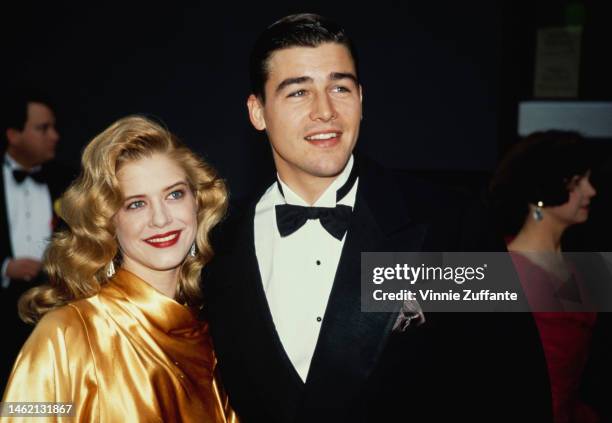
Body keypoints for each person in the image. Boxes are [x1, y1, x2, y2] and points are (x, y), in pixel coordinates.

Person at [204, 13, 552, 422]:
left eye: (340, 87)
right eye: (298, 92)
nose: (325, 111)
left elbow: (516, 387)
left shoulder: (449, 222)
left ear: (362, 99)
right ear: (257, 112)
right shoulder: (218, 243)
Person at [1, 116, 237, 422]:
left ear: (197, 202)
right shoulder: (67, 334)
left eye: (174, 194)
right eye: (136, 204)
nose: (161, 219)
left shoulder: (217, 333)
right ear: (108, 221)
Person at [490, 131, 601, 423]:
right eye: (578, 182)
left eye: (588, 180)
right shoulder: (505, 269)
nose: (591, 191)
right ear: (543, 192)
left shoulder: (582, 264)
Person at [0, 93, 75, 390]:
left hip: (55, 306)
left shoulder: (68, 181)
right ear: (14, 134)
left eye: (53, 128)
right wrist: (5, 268)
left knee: (55, 391)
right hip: (4, 310)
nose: (54, 136)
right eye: (43, 129)